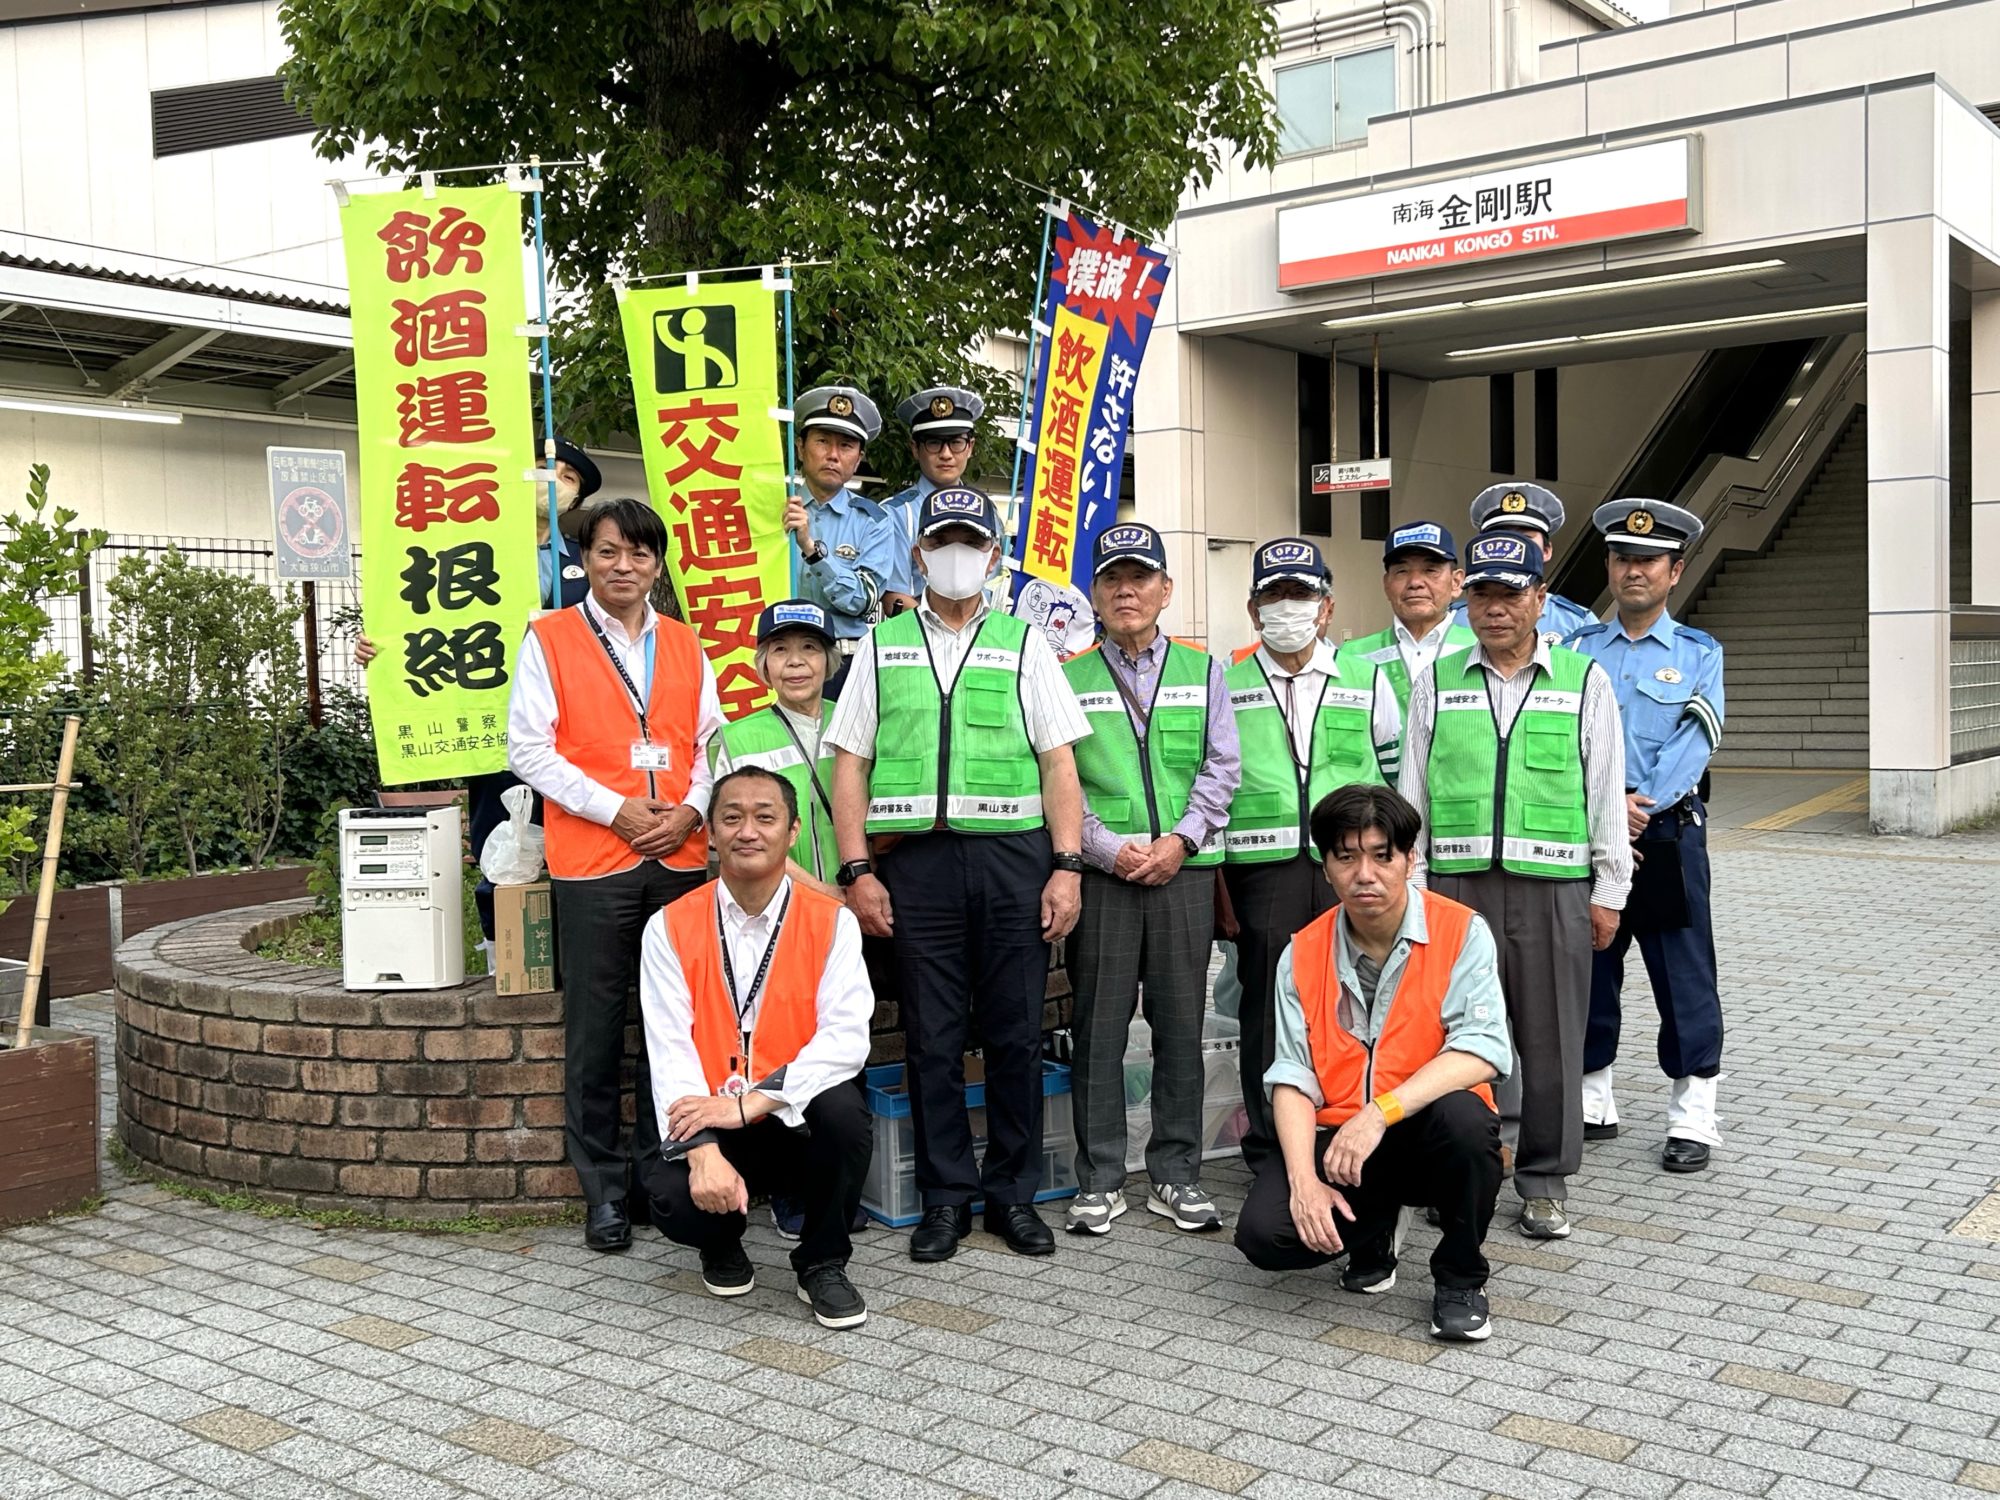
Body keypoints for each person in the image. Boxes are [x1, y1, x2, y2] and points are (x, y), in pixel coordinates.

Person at [827, 485, 1091, 1263]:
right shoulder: (883, 645)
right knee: (932, 1037)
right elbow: (852, 766)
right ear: (918, 554)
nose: (955, 554)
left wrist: (1067, 868)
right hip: (917, 865)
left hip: (1014, 858)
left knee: (1014, 1031)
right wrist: (854, 871)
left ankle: (1011, 1194)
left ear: (995, 558)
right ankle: (946, 1196)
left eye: (970, 543)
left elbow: (1059, 764)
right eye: (941, 541)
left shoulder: (1022, 642)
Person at [1399, 530, 1630, 1241]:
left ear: (1541, 598)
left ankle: (1544, 1181)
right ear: (1466, 600)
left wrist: (1609, 887)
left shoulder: (1583, 679)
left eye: (1511, 593)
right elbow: (1414, 791)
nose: (1495, 608)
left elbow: (1603, 787)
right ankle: (1456, 1168)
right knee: (1453, 1037)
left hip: (1554, 887)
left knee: (1552, 1037)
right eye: (1483, 594)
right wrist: (1414, 882)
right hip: (1457, 889)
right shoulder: (1436, 681)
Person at [508, 497, 723, 1252]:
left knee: (674, 1025)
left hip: (681, 857)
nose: (623, 567)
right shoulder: (551, 637)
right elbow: (529, 750)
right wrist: (617, 811)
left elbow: (709, 746)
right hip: (594, 860)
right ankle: (602, 1190)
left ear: (658, 563)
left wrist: (692, 813)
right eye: (607, 553)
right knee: (596, 1030)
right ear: (585, 560)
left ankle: (655, 1175)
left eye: (638, 554)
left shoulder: (689, 645)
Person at [1234, 784, 1511, 1342]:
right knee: (1267, 1235)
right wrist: (1303, 1181)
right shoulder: (1303, 951)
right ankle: (1373, 1235)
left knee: (1467, 1122)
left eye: (1383, 855)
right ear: (1325, 866)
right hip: (1340, 1141)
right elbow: (1291, 1075)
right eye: (1347, 856)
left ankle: (1460, 1278)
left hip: (1423, 1130)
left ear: (1410, 858)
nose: (1366, 873)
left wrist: (1379, 1113)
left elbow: (1483, 1049)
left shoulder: (1462, 932)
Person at [640, 766, 875, 1328]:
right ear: (712, 834)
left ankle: (821, 1262)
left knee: (845, 1117)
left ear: (792, 832)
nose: (749, 831)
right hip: (710, 1113)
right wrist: (702, 1151)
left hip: (784, 1113)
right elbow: (668, 1048)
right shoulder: (668, 926)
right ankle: (719, 1244)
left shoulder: (832, 922)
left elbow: (846, 1038)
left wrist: (752, 1102)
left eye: (765, 817)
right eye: (732, 817)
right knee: (670, 1191)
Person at [1060, 522, 1240, 1236]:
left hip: (1183, 875)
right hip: (1105, 878)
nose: (1126, 590)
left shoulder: (1204, 673)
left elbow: (1222, 767)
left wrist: (1181, 842)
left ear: (1167, 590)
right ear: (1095, 595)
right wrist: (1108, 851)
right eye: (1112, 580)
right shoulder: (1066, 676)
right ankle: (1100, 1178)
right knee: (1098, 1031)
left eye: (1140, 578)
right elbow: (1061, 776)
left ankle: (1175, 1172)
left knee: (1178, 1026)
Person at [354, 438, 596, 959]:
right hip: (494, 720)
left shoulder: (588, 565)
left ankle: (573, 946)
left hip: (575, 727)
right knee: (498, 833)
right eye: (542, 468)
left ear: (576, 501)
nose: (553, 481)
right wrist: (382, 651)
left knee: (577, 833)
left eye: (569, 479)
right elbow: (420, 625)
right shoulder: (466, 557)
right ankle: (503, 949)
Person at [1222, 537, 1402, 1168]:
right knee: (1267, 1005)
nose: (1288, 607)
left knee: (1360, 995)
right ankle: (1271, 1150)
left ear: (1326, 608)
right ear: (1252, 609)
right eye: (1274, 596)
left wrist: (1394, 862)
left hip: (1352, 866)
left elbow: (1396, 771)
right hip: (1262, 869)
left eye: (1300, 595)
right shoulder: (1228, 681)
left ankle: (1354, 1129)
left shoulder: (1368, 678)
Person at [1566, 500, 1726, 1173]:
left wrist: (1638, 804)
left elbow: (1698, 740)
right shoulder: (1574, 649)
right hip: (1591, 837)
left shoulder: (1698, 653)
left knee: (1681, 975)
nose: (1634, 570)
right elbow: (1562, 735)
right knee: (1591, 966)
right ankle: (1592, 1098)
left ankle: (1694, 1114)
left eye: (1648, 560)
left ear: (1674, 570)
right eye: (1622, 558)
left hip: (1664, 838)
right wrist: (1606, 808)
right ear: (1608, 565)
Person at [711, 600, 843, 899]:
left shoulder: (857, 722)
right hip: (772, 905)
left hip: (864, 901)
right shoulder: (736, 738)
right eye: (780, 649)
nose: (795, 661)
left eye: (810, 647)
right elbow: (733, 836)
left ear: (828, 660)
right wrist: (822, 893)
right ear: (764, 664)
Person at [787, 386, 899, 695]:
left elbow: (862, 599)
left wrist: (813, 550)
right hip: (776, 660)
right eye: (822, 441)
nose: (833, 455)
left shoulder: (874, 520)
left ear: (859, 457)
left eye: (846, 445)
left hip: (843, 666)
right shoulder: (775, 510)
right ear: (800, 447)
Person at [1340, 521, 1477, 715]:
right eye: (1402, 571)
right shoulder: (1353, 655)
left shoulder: (1481, 649)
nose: (1415, 583)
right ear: (1386, 584)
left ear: (1456, 582)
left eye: (1430, 570)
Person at [1449, 483, 1598, 645]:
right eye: (1502, 536)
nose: (1512, 545)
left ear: (1547, 550)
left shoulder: (1576, 622)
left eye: (1526, 539)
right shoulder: (1452, 620)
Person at [882, 385, 983, 615]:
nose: (946, 454)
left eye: (956, 442)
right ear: (915, 448)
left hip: (981, 639)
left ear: (970, 447)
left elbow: (993, 588)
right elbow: (894, 597)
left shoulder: (988, 513)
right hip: (917, 639)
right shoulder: (894, 514)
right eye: (934, 443)